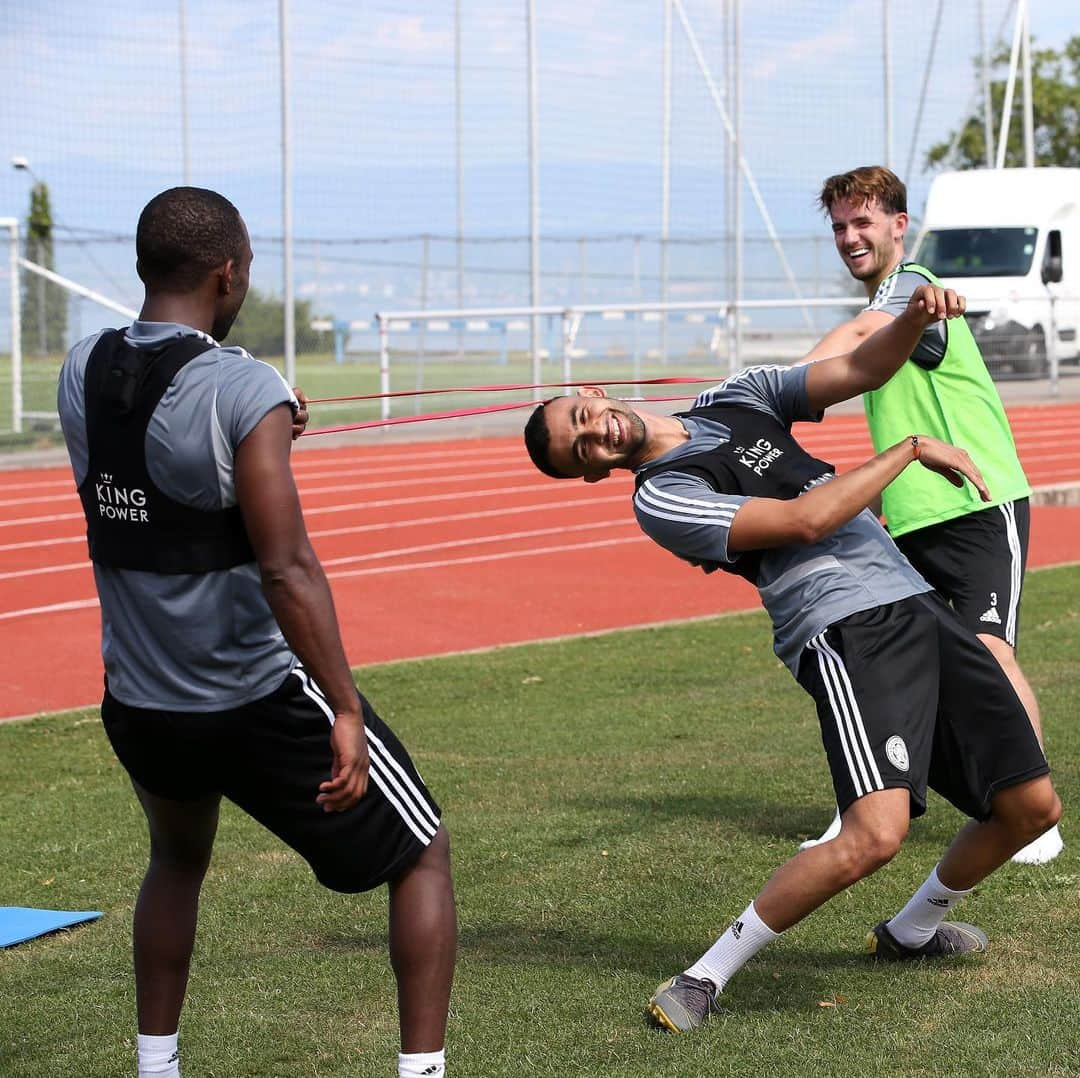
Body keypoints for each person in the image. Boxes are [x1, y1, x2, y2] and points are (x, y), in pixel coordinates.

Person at [522, 283, 1061, 1033]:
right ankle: (703, 975)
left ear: (592, 391)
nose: (596, 434)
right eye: (582, 449)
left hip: (910, 600)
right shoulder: (664, 497)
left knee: (1032, 808)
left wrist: (910, 318)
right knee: (875, 834)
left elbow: (860, 371)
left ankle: (910, 930)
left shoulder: (734, 397)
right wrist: (906, 451)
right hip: (843, 627)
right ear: (588, 471)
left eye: (583, 417)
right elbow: (806, 521)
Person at [56, 187, 456, 1078]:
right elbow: (287, 567)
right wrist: (344, 710)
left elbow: (163, 492)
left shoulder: (79, 369)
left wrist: (265, 433)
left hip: (140, 701)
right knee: (422, 853)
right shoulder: (245, 385)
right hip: (253, 699)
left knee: (176, 859)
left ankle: (155, 1068)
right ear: (228, 273)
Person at [798, 165, 1061, 864]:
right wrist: (880, 503)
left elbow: (858, 332)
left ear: (897, 226)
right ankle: (862, 806)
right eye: (840, 227)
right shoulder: (890, 303)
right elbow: (895, 407)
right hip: (912, 518)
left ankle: (1036, 815)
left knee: (989, 651)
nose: (851, 237)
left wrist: (781, 387)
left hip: (978, 500)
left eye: (864, 223)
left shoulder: (912, 291)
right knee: (889, 661)